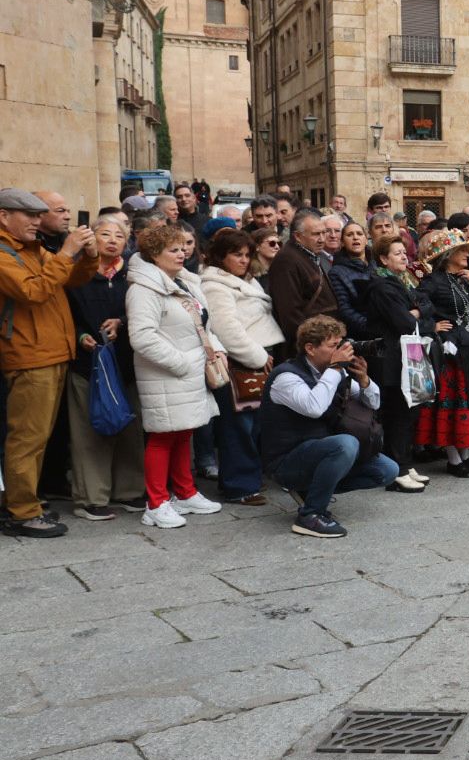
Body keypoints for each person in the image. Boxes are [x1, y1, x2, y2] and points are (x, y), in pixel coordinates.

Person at [0, 189, 96, 538]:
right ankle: (21, 512)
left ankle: (24, 502)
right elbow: (33, 292)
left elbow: (72, 279)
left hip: (51, 352)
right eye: (29, 215)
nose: (37, 221)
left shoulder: (33, 249)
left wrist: (88, 257)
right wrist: (67, 252)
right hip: (30, 356)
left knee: (36, 439)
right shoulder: (4, 254)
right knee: (27, 439)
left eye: (40, 215)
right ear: (4, 216)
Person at [259, 315, 403, 538]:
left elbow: (373, 403)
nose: (341, 350)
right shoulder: (286, 377)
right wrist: (335, 369)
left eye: (340, 344)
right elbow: (314, 407)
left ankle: (311, 491)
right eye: (333, 346)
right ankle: (310, 515)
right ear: (310, 348)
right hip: (286, 461)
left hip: (320, 452)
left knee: (387, 470)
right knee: (345, 444)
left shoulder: (336, 372)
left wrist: (364, 380)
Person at [124, 224, 226, 529]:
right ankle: (156, 504)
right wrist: (182, 363)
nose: (182, 254)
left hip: (189, 370)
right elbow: (142, 337)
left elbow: (202, 324)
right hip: (168, 373)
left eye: (183, 248)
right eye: (174, 249)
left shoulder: (183, 281)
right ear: (155, 255)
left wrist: (216, 349)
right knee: (163, 437)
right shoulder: (143, 289)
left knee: (184, 432)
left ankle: (185, 492)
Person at [65, 215, 146, 520]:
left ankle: (129, 490)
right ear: (92, 238)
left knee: (130, 428)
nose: (113, 241)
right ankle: (91, 498)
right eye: (105, 234)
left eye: (119, 236)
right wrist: (80, 336)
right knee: (89, 430)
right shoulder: (76, 274)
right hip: (88, 363)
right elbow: (63, 316)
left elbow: (145, 311)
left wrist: (121, 322)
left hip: (127, 362)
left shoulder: (134, 275)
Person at [198, 227, 286, 504]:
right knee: (239, 426)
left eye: (247, 255)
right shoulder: (215, 285)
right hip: (241, 362)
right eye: (237, 255)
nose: (244, 260)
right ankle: (239, 486)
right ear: (221, 256)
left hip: (258, 358)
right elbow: (228, 330)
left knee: (253, 424)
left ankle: (249, 478)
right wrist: (259, 357)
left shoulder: (243, 280)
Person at [415, 229, 469, 476]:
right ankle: (454, 459)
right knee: (454, 403)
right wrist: (432, 327)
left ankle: (465, 455)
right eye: (461, 250)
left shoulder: (468, 279)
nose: (467, 254)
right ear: (448, 254)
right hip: (453, 351)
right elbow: (417, 307)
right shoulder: (433, 281)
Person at [364, 234, 439, 482]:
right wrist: (418, 314)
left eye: (404, 252)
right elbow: (404, 322)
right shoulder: (382, 286)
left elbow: (429, 306)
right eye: (397, 253)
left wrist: (417, 311)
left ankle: (406, 463)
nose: (404, 257)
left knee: (410, 411)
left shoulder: (405, 282)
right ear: (383, 259)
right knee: (397, 412)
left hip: (408, 354)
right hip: (391, 358)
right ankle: (397, 468)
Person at [266, 209, 338, 347]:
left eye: (323, 233)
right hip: (310, 344)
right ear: (298, 236)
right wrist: (311, 343)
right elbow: (289, 312)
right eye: (316, 234)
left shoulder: (309, 254)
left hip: (324, 338)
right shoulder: (286, 260)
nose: (322, 239)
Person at [328, 220, 374, 342]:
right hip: (361, 336)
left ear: (366, 239)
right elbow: (344, 310)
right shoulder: (336, 272)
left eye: (359, 234)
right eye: (350, 235)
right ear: (342, 242)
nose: (355, 237)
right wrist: (372, 327)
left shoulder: (377, 265)